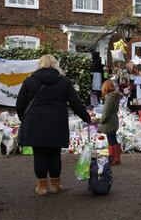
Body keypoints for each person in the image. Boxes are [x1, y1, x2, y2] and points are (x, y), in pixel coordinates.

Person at [16, 54, 91, 195]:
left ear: (40, 64)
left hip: (35, 124)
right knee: (55, 154)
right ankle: (56, 185)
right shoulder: (64, 82)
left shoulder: (29, 81)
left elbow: (20, 104)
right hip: (57, 123)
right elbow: (75, 103)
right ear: (55, 64)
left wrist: (23, 118)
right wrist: (86, 117)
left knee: (39, 155)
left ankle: (42, 187)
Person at [97, 80, 123, 166]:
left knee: (111, 141)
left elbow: (106, 113)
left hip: (109, 122)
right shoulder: (115, 97)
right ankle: (117, 158)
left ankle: (112, 160)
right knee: (114, 140)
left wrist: (101, 121)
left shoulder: (109, 98)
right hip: (114, 120)